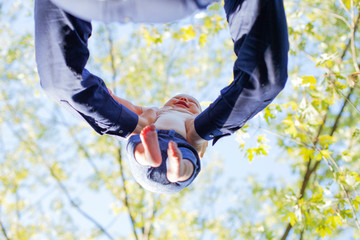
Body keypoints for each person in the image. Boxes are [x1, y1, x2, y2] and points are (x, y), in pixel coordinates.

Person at [35, 0, 289, 191]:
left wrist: (130, 123)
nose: (186, 102)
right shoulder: (194, 129)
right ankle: (178, 169)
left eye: (185, 107)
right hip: (193, 139)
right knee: (264, 82)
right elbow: (264, 82)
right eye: (194, 107)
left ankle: (154, 164)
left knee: (61, 86)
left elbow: (82, 90)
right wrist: (201, 130)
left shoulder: (144, 116)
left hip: (147, 134)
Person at [109, 91, 207, 193]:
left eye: (193, 102)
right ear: (165, 104)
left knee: (189, 157)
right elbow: (133, 109)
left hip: (179, 145)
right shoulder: (159, 111)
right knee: (135, 139)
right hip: (155, 139)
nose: (183, 100)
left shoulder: (193, 119)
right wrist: (113, 97)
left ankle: (178, 169)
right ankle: (149, 156)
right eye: (177, 98)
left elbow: (201, 143)